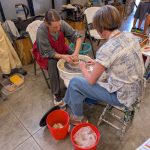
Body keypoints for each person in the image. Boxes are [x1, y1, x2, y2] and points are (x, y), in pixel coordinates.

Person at [62, 5, 145, 125]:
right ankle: (68, 102)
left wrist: (82, 67)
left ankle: (78, 117)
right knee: (81, 84)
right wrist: (97, 62)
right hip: (136, 89)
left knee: (75, 82)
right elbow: (119, 58)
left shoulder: (106, 49)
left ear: (100, 27)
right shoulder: (130, 36)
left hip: (122, 97)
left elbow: (91, 80)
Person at [34, 9, 82, 105]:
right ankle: (56, 94)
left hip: (60, 47)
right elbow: (48, 52)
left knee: (77, 59)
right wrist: (63, 57)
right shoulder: (41, 31)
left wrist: (76, 53)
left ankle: (79, 84)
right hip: (46, 53)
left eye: (59, 25)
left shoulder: (61, 24)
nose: (59, 28)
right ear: (47, 24)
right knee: (52, 64)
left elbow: (77, 37)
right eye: (55, 27)